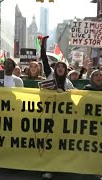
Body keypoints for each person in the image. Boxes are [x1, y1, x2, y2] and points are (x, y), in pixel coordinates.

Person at [40, 36, 74, 180]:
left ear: (66, 70)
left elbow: (74, 100)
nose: (60, 69)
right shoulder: (50, 74)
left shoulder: (69, 84)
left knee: (60, 144)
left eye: (63, 67)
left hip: (63, 119)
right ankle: (48, 168)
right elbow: (44, 60)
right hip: (49, 117)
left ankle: (60, 167)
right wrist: (43, 45)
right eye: (58, 67)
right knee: (49, 143)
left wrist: (65, 95)